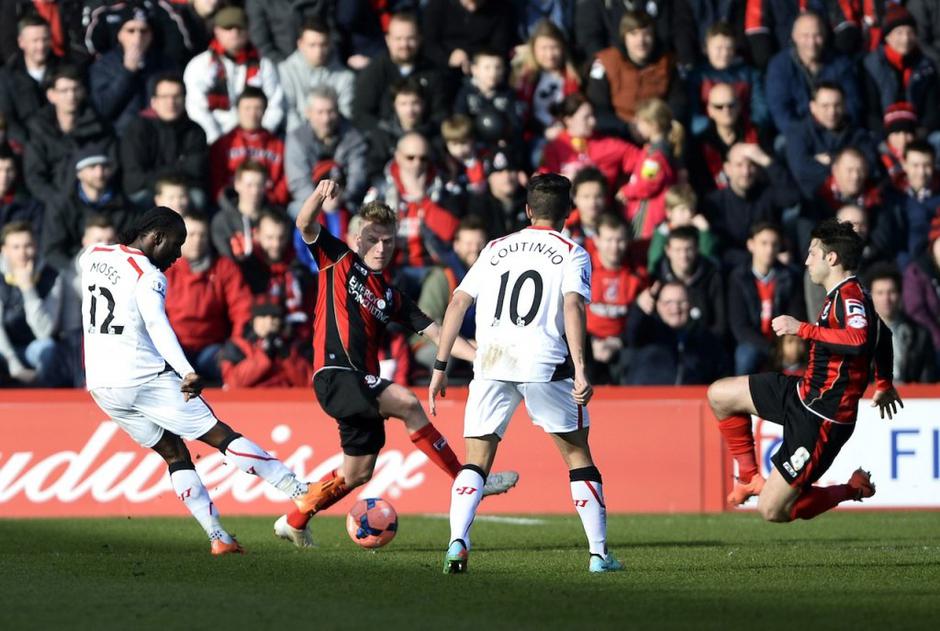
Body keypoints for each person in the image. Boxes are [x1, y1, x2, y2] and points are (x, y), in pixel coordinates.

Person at [275, 180, 519, 548]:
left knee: (358, 473)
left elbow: (438, 332)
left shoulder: (390, 296)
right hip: (337, 374)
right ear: (358, 238)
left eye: (388, 241)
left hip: (360, 381)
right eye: (373, 238)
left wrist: (482, 356)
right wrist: (318, 194)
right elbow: (305, 224)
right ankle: (468, 481)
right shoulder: (338, 259)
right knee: (407, 403)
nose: (380, 247)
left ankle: (294, 520)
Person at [80, 206, 324, 553]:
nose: (178, 255)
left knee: (174, 452)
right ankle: (298, 490)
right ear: (156, 237)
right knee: (220, 435)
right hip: (141, 376)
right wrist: (185, 370)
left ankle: (218, 537)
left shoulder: (92, 255)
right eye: (176, 245)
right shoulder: (149, 275)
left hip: (102, 384)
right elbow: (157, 326)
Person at [430, 173, 624, 574]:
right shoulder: (573, 251)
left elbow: (457, 302)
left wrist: (440, 365)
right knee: (577, 456)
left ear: (527, 210)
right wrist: (583, 368)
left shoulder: (496, 248)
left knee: (476, 460)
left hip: (492, 362)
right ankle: (599, 554)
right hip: (544, 364)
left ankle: (457, 542)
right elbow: (573, 306)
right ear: (568, 213)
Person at [706, 218, 903, 523]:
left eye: (813, 252)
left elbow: (860, 339)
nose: (806, 259)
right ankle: (748, 478)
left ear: (831, 258)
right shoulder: (843, 295)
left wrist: (802, 329)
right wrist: (884, 382)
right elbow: (883, 335)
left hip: (821, 420)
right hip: (802, 393)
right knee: (720, 395)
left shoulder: (850, 297)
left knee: (773, 511)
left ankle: (852, 489)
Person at [164, 210, 252, 383]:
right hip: (174, 348)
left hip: (212, 349)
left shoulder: (224, 268)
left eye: (202, 235)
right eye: (192, 235)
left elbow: (242, 308)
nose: (197, 240)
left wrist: (236, 343)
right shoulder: (165, 269)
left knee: (236, 367)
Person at [183, 6, 285, 144]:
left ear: (248, 31)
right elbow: (196, 108)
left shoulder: (264, 65)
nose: (234, 33)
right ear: (217, 31)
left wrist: (260, 135)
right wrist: (216, 140)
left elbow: (275, 104)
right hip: (213, 139)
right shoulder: (200, 65)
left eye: (240, 28)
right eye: (228, 28)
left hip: (258, 140)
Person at [24, 65, 116, 208]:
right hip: (53, 206)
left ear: (83, 92)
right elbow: (35, 177)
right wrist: (58, 202)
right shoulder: (39, 131)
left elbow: (113, 164)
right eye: (64, 91)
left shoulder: (99, 127)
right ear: (51, 95)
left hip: (96, 201)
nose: (71, 96)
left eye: (75, 89)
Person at [585, 10, 685, 137]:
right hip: (618, 132)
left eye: (647, 34)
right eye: (633, 34)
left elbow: (679, 103)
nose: (641, 41)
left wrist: (660, 126)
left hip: (657, 131)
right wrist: (627, 127)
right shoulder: (605, 62)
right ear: (624, 37)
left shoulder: (668, 63)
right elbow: (597, 109)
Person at [764, 12, 862, 135]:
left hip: (838, 132)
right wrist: (803, 137)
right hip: (797, 134)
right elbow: (780, 111)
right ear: (794, 36)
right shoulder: (779, 66)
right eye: (805, 36)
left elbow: (853, 104)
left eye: (817, 35)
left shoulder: (841, 64)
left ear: (825, 36)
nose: (811, 43)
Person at [727, 222, 805, 375]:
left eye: (774, 244)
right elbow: (739, 326)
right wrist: (770, 349)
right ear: (751, 245)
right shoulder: (738, 277)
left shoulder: (790, 276)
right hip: (753, 342)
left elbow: (795, 314)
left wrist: (783, 345)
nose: (769, 249)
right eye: (763, 243)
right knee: (745, 356)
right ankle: (743, 396)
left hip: (781, 341)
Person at [120, 73, 209, 206]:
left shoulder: (195, 132)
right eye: (164, 97)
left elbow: (195, 171)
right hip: (148, 190)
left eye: (176, 96)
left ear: (184, 100)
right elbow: (133, 177)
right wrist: (175, 172)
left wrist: (160, 176)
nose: (171, 102)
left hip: (182, 190)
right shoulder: (137, 129)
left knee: (197, 199)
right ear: (154, 102)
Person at [352, 12, 447, 133]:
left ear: (419, 39)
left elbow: (440, 114)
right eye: (398, 39)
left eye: (410, 38)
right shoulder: (375, 70)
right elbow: (360, 113)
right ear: (388, 40)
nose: (404, 45)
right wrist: (386, 134)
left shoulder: (433, 73)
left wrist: (419, 135)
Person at [42, 147, 133, 272]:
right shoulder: (61, 206)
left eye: (104, 167)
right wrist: (76, 272)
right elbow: (52, 250)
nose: (99, 173)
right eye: (92, 167)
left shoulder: (126, 207)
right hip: (73, 274)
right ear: (79, 173)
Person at [88, 6, 176, 134]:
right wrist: (127, 72)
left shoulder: (165, 64)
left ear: (151, 35)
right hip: (120, 137)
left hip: (160, 136)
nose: (138, 37)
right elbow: (102, 109)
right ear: (120, 35)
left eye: (143, 31)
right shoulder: (103, 66)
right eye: (131, 31)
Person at [784, 81, 879, 201]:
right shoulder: (798, 132)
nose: (832, 112)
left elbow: (869, 164)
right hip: (812, 201)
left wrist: (832, 160)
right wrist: (846, 169)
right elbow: (801, 169)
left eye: (837, 105)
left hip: (852, 200)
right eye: (825, 106)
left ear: (844, 106)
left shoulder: (856, 134)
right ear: (813, 107)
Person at [621, 280, 729, 385]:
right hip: (648, 400)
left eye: (681, 302)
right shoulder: (646, 332)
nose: (675, 308)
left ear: (690, 304)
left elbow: (721, 374)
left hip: (692, 401)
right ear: (658, 305)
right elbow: (632, 332)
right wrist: (638, 308)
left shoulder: (706, 340)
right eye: (668, 302)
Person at [0, 221, 66, 387]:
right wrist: (14, 366)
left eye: (27, 246)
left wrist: (28, 289)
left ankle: (45, 402)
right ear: (4, 250)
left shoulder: (52, 277)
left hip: (33, 347)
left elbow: (45, 332)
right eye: (16, 247)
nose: (22, 253)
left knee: (48, 348)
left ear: (35, 247)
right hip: (5, 351)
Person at [285, 85, 368, 215]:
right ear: (308, 113)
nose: (326, 119)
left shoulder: (353, 137)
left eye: (331, 111)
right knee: (293, 210)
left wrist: (340, 197)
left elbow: (358, 177)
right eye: (320, 112)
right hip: (309, 200)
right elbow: (298, 182)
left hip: (345, 200)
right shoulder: (297, 139)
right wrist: (319, 201)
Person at [587, 212, 646, 384]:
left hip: (623, 345)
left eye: (619, 240)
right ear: (596, 240)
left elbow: (639, 321)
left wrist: (618, 342)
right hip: (586, 343)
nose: (614, 247)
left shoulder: (637, 273)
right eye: (608, 240)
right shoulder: (583, 267)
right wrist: (589, 341)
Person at [208, 87, 288, 206]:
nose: (252, 114)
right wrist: (229, 202)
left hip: (269, 207)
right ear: (238, 110)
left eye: (257, 108)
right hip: (230, 207)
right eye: (247, 108)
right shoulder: (222, 145)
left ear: (265, 111)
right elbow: (215, 182)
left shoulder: (279, 146)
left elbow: (285, 181)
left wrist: (271, 200)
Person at [278, 17, 355, 132]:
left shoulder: (346, 77)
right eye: (312, 45)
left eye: (323, 44)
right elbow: (288, 112)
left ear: (330, 44)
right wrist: (302, 139)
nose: (318, 51)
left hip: (334, 139)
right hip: (297, 139)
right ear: (300, 44)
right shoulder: (285, 71)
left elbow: (345, 114)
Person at [219, 298, 313, 388]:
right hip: (250, 400)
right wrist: (265, 354)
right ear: (253, 321)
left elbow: (309, 383)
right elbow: (232, 384)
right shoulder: (237, 346)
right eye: (263, 316)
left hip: (287, 399)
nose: (269, 321)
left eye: (274, 317)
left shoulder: (294, 345)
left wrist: (287, 356)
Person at [868, 263, 936, 383]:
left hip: (912, 399)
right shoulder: (861, 335)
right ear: (871, 296)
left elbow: (928, 379)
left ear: (900, 295)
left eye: (891, 292)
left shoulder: (920, 335)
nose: (886, 299)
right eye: (880, 293)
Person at [0, 14, 61, 145]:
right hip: (25, 147)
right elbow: (8, 117)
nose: (41, 46)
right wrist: (29, 146)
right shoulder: (7, 76)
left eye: (45, 39)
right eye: (35, 41)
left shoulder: (63, 71)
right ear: (21, 42)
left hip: (61, 146)